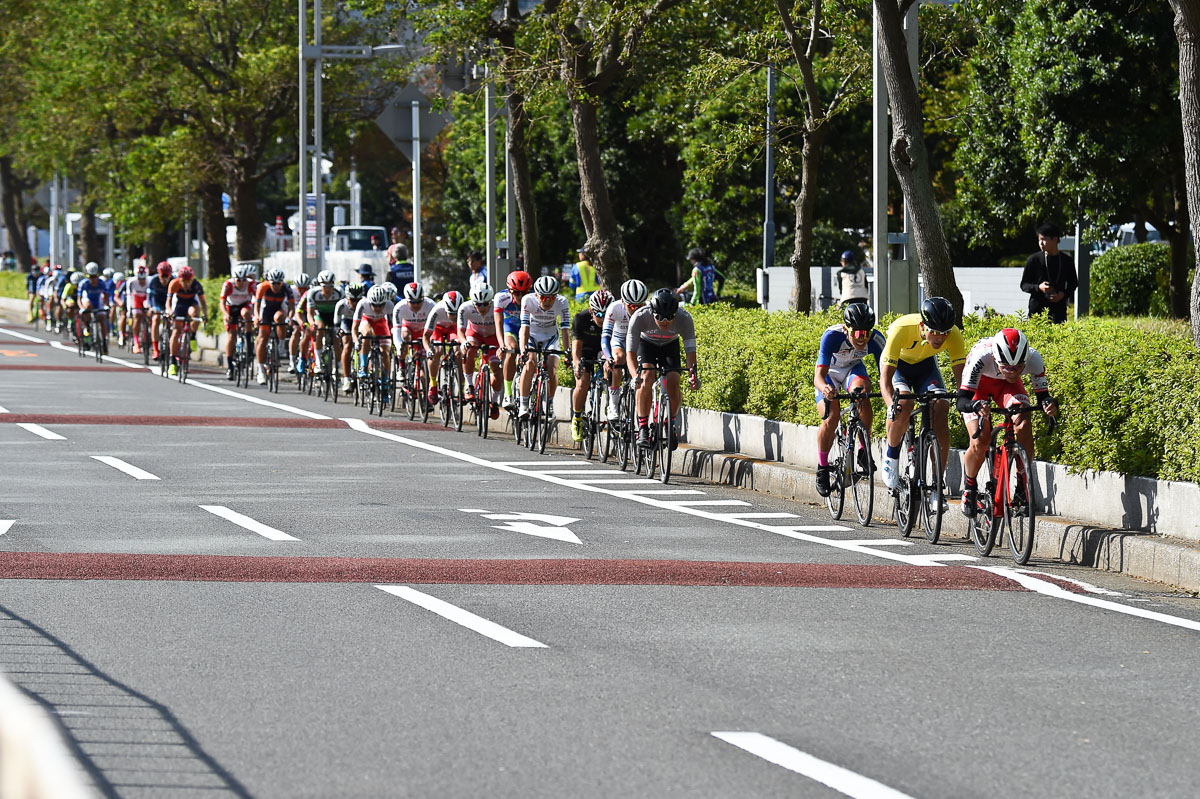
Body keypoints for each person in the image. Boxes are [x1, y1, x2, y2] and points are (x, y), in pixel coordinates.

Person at [956, 328, 1060, 516]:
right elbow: (961, 401)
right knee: (980, 440)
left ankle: (1022, 482)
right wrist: (976, 406)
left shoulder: (1034, 359)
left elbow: (1043, 396)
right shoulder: (982, 357)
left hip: (1007, 388)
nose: (1012, 372)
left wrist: (1049, 404)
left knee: (1023, 421)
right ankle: (969, 487)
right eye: (1006, 367)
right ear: (996, 359)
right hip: (979, 387)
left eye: (1019, 367)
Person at [879, 296, 966, 499]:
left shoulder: (953, 334)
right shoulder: (902, 329)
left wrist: (965, 402)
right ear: (922, 325)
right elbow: (885, 380)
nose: (939, 338)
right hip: (898, 366)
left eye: (944, 333)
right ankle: (891, 458)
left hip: (926, 368)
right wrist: (890, 405)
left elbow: (962, 379)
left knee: (941, 408)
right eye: (934, 332)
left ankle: (937, 482)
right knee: (904, 403)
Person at [813, 303, 885, 497]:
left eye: (866, 333)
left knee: (862, 393)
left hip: (852, 371)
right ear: (846, 329)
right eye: (857, 333)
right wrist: (825, 389)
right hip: (830, 375)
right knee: (831, 417)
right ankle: (822, 467)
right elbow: (818, 377)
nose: (862, 338)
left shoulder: (877, 340)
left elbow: (886, 375)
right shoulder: (831, 336)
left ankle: (863, 449)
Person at [626, 288, 700, 448]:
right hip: (646, 345)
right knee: (646, 376)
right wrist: (634, 377)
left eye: (669, 317)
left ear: (676, 313)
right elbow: (630, 353)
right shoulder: (639, 316)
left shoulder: (685, 318)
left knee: (674, 379)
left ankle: (670, 421)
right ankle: (643, 427)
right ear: (652, 312)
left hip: (669, 345)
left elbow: (690, 352)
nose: (664, 321)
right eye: (659, 317)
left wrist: (693, 375)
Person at [518, 275, 571, 418]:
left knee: (552, 368)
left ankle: (549, 402)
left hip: (551, 337)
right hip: (532, 336)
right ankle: (523, 404)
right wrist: (523, 350)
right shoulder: (527, 300)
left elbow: (565, 329)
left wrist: (568, 353)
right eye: (543, 298)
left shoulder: (562, 302)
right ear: (536, 295)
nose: (547, 301)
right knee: (530, 363)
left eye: (551, 298)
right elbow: (524, 328)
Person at [600, 279, 648, 422]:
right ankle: (613, 405)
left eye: (640, 306)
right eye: (632, 306)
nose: (635, 310)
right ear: (623, 301)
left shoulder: (648, 310)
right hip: (619, 341)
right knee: (618, 359)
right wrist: (608, 357)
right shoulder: (614, 308)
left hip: (638, 342)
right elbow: (605, 338)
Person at [570, 289, 613, 442]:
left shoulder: (614, 319)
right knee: (582, 382)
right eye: (598, 314)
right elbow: (576, 348)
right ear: (591, 310)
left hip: (603, 350)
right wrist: (576, 364)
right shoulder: (581, 319)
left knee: (612, 374)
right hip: (585, 350)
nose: (602, 319)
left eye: (605, 314)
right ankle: (577, 418)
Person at [458, 284, 502, 418]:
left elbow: (503, 328)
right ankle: (470, 385)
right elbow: (460, 330)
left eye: (485, 304)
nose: (481, 308)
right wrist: (464, 342)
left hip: (493, 337)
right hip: (474, 334)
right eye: (478, 304)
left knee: (497, 368)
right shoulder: (465, 308)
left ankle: (494, 402)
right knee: (469, 349)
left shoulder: (497, 307)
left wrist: (502, 346)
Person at [1020, 223, 1078, 324]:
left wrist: (1062, 294)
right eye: (1039, 240)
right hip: (1037, 311)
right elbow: (1024, 285)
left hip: (1058, 311)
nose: (1040, 243)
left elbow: (1073, 283)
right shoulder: (1033, 260)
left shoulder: (1066, 261)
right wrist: (1039, 287)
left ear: (1055, 239)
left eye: (1044, 239)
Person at [493, 271, 532, 409]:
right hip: (509, 327)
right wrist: (501, 345)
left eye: (524, 293)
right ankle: (508, 394)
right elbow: (498, 324)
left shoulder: (533, 297)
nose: (521, 296)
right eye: (516, 293)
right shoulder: (501, 297)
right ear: (510, 291)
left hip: (526, 328)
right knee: (511, 350)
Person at [422, 290, 465, 405]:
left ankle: (462, 388)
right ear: (445, 309)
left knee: (458, 352)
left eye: (457, 314)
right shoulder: (437, 310)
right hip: (438, 329)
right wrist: (428, 350)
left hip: (454, 329)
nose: (454, 316)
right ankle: (433, 384)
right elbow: (425, 336)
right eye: (451, 313)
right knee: (437, 350)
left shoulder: (464, 310)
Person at [165, 265, 207, 376]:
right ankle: (173, 362)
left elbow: (203, 302)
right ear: (179, 279)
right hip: (178, 304)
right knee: (176, 330)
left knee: (195, 313)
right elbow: (168, 301)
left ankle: (192, 336)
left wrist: (205, 315)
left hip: (191, 303)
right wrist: (170, 312)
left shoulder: (196, 285)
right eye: (184, 281)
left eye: (189, 280)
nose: (187, 283)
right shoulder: (174, 284)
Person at [219, 265, 256, 378]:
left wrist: (256, 316)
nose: (241, 283)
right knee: (232, 335)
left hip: (245, 306)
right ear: (234, 279)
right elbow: (222, 302)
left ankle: (249, 339)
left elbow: (258, 300)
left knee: (246, 314)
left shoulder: (251, 284)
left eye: (244, 280)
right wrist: (226, 315)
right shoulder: (228, 285)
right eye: (238, 280)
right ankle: (230, 366)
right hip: (231, 308)